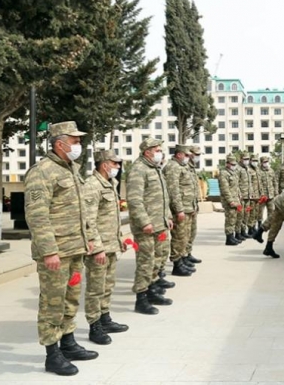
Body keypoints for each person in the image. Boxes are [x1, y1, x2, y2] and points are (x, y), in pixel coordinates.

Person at [24, 121, 101, 376]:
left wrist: (88, 238)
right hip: (56, 253)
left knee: (70, 298)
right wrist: (49, 251)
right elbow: (37, 215)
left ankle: (68, 342)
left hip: (75, 249)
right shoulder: (42, 171)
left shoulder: (71, 168)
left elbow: (81, 211)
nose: (79, 145)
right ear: (60, 143)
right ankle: (52, 353)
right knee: (52, 302)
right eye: (75, 141)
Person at [82, 149, 129, 345]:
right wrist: (97, 247)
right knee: (95, 288)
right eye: (115, 163)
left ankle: (105, 317)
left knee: (108, 285)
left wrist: (119, 240)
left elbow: (111, 218)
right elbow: (88, 220)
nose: (118, 167)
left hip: (110, 245)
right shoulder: (93, 185)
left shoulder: (111, 184)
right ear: (104, 165)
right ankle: (95, 326)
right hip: (99, 248)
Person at [126, 137, 174, 314]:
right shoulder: (139, 169)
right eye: (157, 149)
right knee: (146, 262)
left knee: (157, 259)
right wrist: (144, 221)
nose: (160, 152)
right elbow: (134, 199)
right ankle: (141, 298)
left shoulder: (155, 169)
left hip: (159, 224)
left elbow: (163, 196)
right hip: (146, 227)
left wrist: (167, 216)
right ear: (147, 152)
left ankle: (152, 290)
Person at [163, 145, 199, 277]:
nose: (189, 158)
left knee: (186, 235)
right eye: (187, 155)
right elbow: (174, 191)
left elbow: (191, 188)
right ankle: (177, 264)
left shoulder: (182, 167)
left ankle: (183, 258)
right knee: (179, 237)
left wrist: (194, 205)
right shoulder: (173, 167)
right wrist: (179, 209)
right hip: (181, 208)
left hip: (188, 207)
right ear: (179, 154)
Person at [218, 153, 242, 246]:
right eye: (231, 164)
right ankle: (229, 238)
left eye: (234, 164)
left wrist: (239, 196)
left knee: (235, 218)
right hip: (229, 200)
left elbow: (236, 186)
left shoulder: (234, 173)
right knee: (230, 218)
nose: (233, 166)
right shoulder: (223, 173)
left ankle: (232, 236)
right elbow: (225, 189)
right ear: (227, 163)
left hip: (236, 199)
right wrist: (230, 201)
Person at [185, 145, 204, 262]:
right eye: (196, 155)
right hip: (185, 207)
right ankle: (181, 257)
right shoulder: (183, 167)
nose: (198, 157)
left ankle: (188, 253)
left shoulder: (191, 167)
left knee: (192, 232)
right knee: (184, 235)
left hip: (192, 205)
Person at [236, 152, 254, 241]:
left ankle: (243, 231)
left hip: (248, 196)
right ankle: (238, 233)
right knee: (240, 215)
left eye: (248, 159)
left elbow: (249, 183)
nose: (247, 161)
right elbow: (236, 183)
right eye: (245, 159)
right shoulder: (238, 169)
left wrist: (251, 192)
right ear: (241, 159)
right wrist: (239, 194)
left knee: (246, 214)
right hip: (241, 196)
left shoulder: (247, 169)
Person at [245, 153, 262, 237]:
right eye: (254, 160)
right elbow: (248, 183)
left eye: (256, 161)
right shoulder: (248, 170)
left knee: (256, 212)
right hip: (252, 195)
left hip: (258, 195)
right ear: (250, 161)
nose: (255, 162)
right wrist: (251, 194)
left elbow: (260, 183)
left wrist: (261, 193)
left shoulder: (258, 169)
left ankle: (253, 226)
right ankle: (250, 228)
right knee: (251, 212)